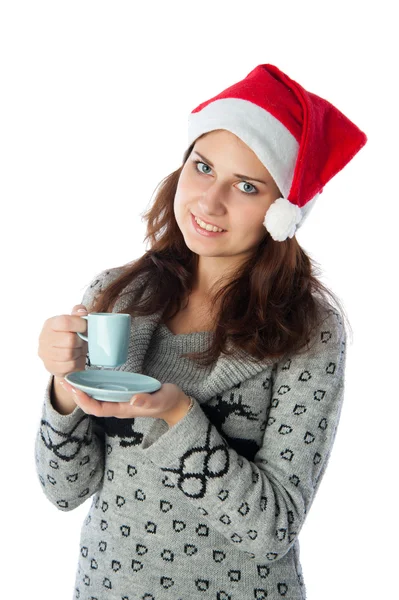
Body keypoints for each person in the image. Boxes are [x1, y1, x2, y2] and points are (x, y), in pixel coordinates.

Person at [35, 63, 367, 599]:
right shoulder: (116, 297)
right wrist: (63, 389)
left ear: (281, 213)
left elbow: (270, 530)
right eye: (204, 166)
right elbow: (63, 491)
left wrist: (176, 414)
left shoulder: (309, 330)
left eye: (247, 185)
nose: (210, 203)